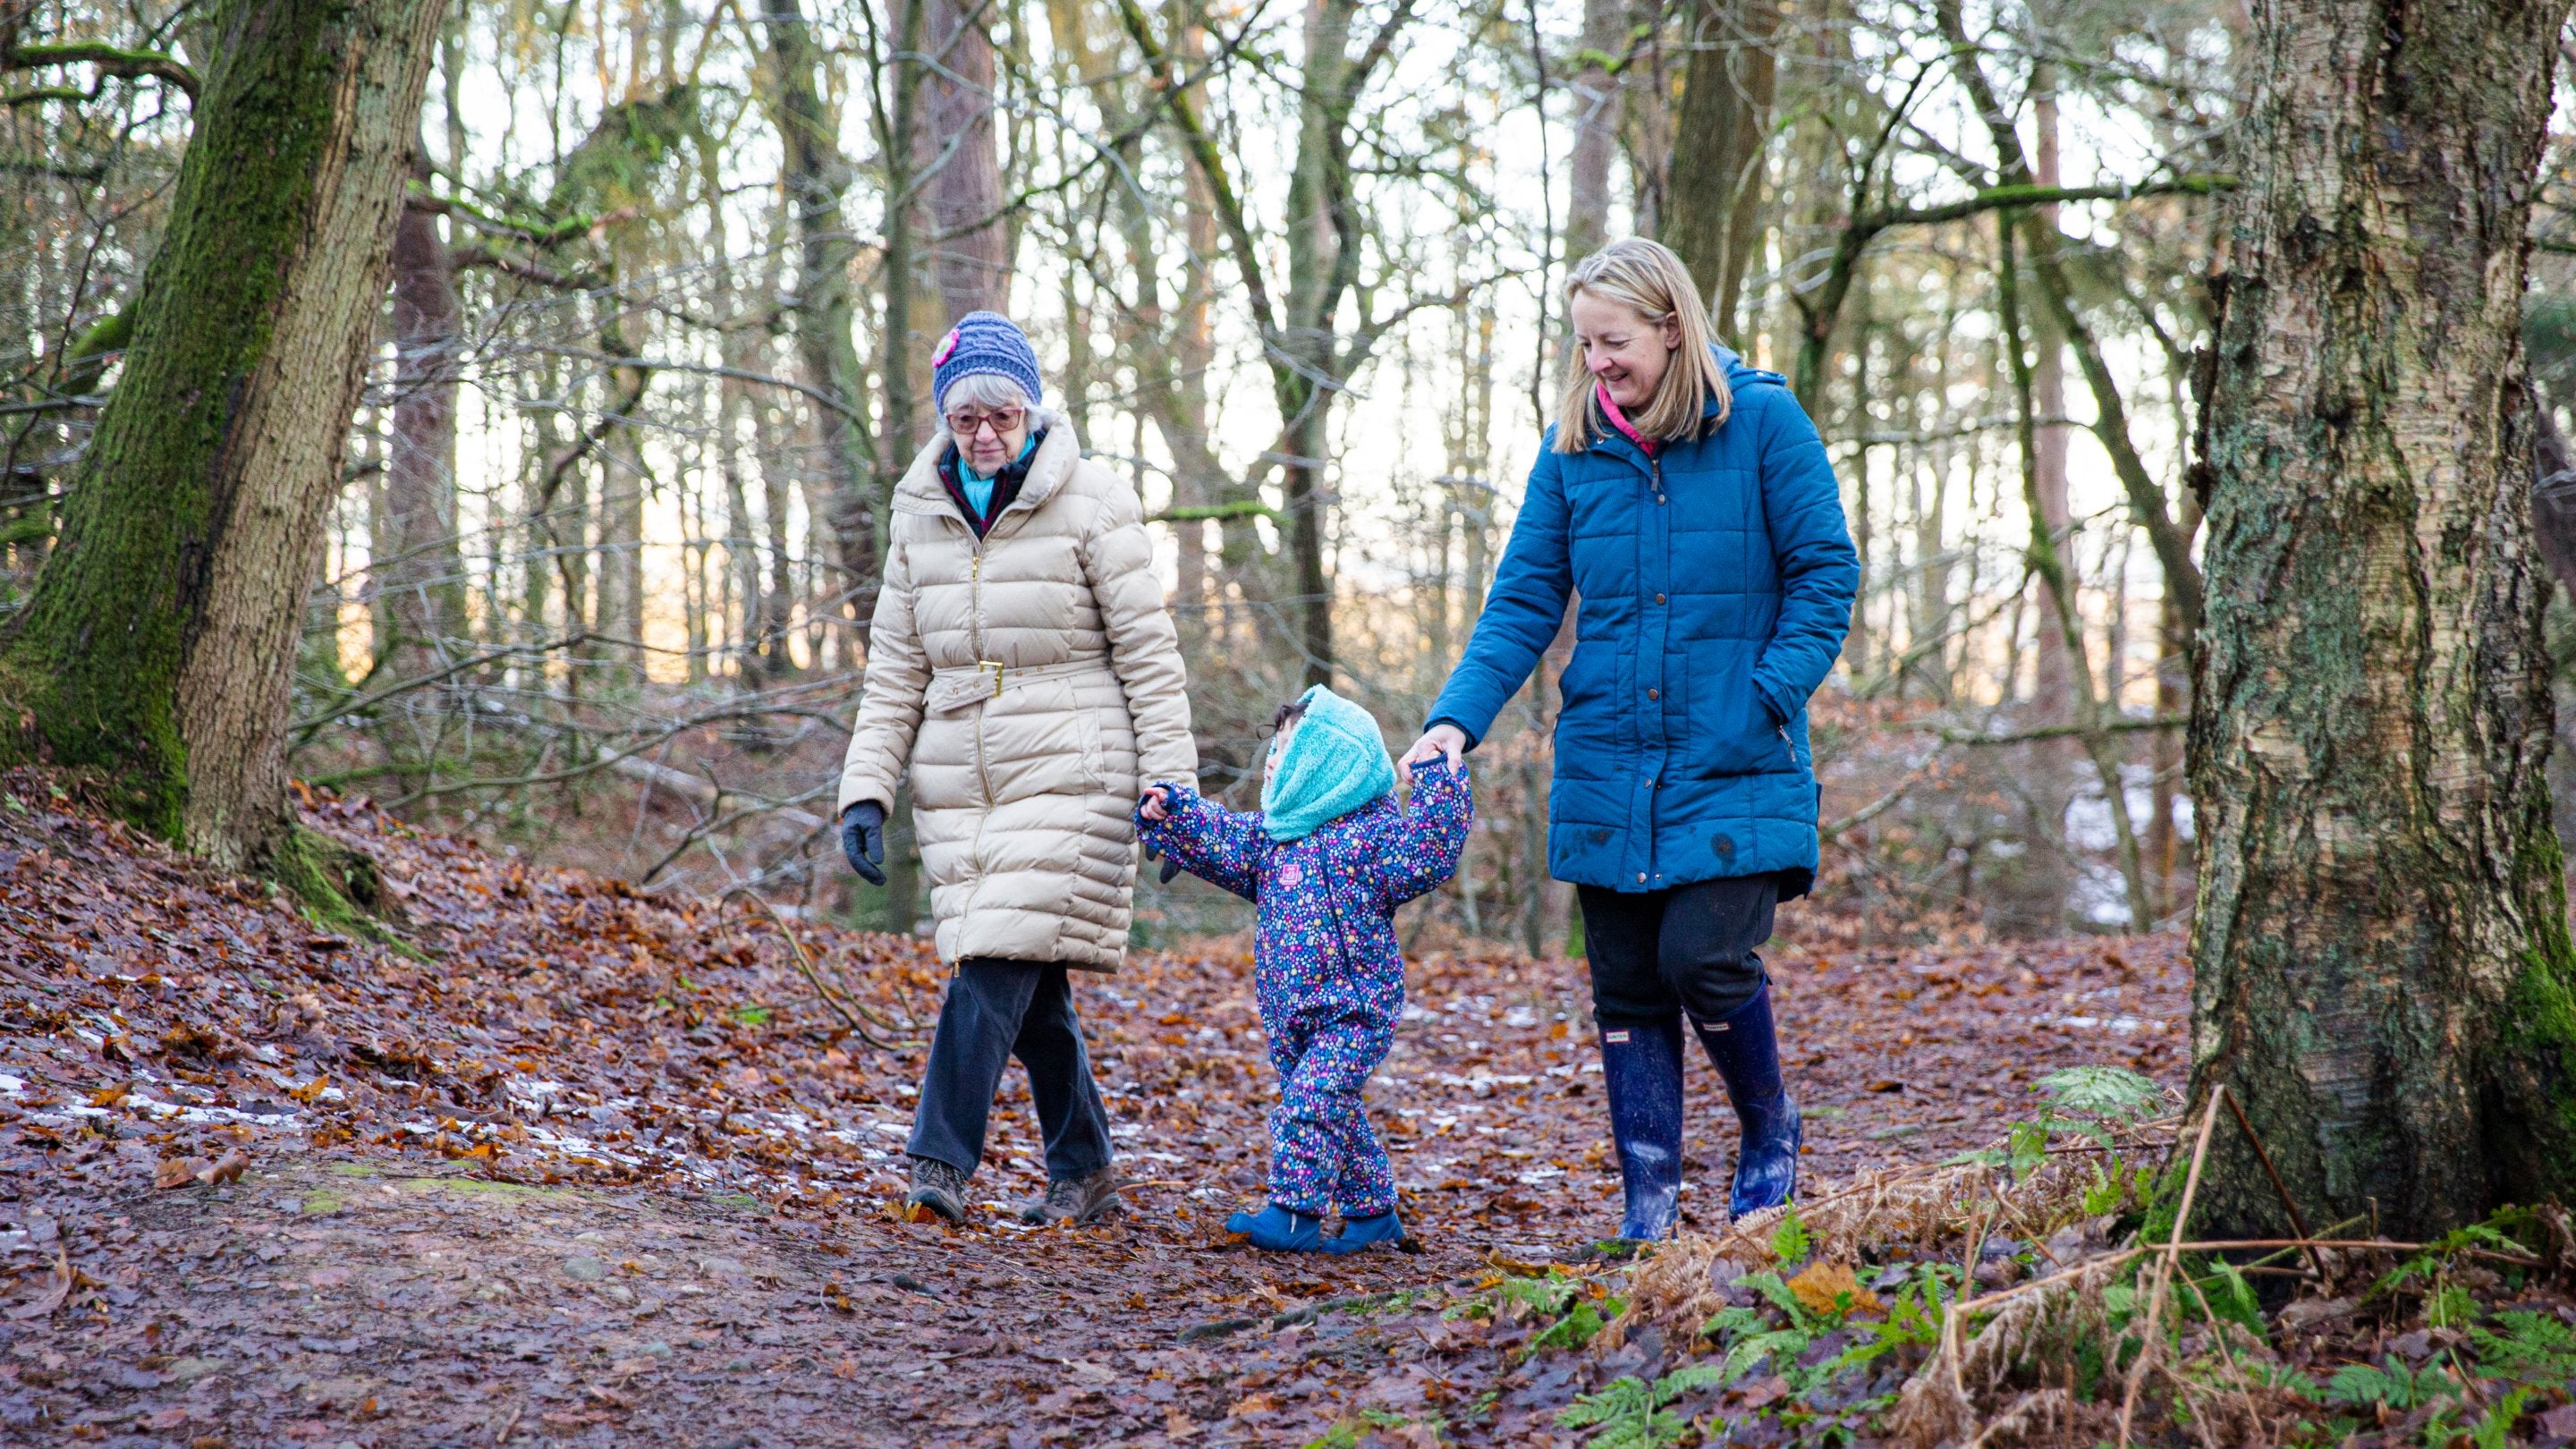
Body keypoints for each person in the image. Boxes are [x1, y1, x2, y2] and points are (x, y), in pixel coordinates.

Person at [1403, 238, 1858, 1240]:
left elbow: (1828, 575)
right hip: (1609, 756)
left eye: (1614, 342)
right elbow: (1522, 599)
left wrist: (1765, 696)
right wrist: (1452, 722)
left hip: (1735, 754)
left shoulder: (1765, 422)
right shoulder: (1572, 450)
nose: (1597, 362)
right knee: (1626, 988)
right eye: (1583, 345)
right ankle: (1647, 1208)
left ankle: (1769, 1133)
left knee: (1705, 959)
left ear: (1671, 326)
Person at [837, 310, 1199, 1226]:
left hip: (1078, 760)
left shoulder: (1093, 500)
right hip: (965, 775)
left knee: (991, 957)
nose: (985, 434)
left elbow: (1149, 656)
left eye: (1000, 414)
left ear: (1030, 410)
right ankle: (1085, 1173)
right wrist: (867, 790)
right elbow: (895, 667)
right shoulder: (918, 510)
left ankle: (937, 1165)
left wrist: (1174, 790)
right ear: (944, 424)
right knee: (1030, 982)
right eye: (966, 420)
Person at [1137, 686, 1472, 1253]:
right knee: (1329, 1108)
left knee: (1314, 1101)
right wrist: (1174, 813)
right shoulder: (1273, 840)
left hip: (1354, 1007)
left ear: (1325, 764)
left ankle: (1294, 1214)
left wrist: (1438, 779)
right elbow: (1219, 836)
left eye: (1285, 751)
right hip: (1289, 1012)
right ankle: (1374, 1217)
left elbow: (1430, 848)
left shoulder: (1372, 839)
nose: (1270, 762)